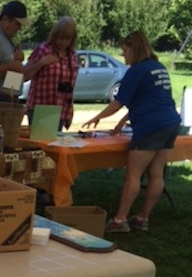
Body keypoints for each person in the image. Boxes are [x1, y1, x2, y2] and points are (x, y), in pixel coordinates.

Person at [82, 31, 181, 234]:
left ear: (134, 49)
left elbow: (118, 102)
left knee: (132, 175)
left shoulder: (136, 71)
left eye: (125, 50)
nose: (123, 55)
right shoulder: (158, 67)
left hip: (150, 126)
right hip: (170, 122)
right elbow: (152, 98)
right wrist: (123, 121)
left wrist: (97, 117)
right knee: (156, 173)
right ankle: (142, 218)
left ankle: (119, 221)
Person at [24, 16, 79, 130]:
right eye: (60, 38)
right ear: (54, 36)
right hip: (40, 108)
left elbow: (70, 88)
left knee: (55, 146)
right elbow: (24, 75)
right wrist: (41, 63)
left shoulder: (72, 56)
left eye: (67, 39)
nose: (63, 42)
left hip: (60, 110)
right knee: (41, 145)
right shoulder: (43, 50)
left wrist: (69, 112)